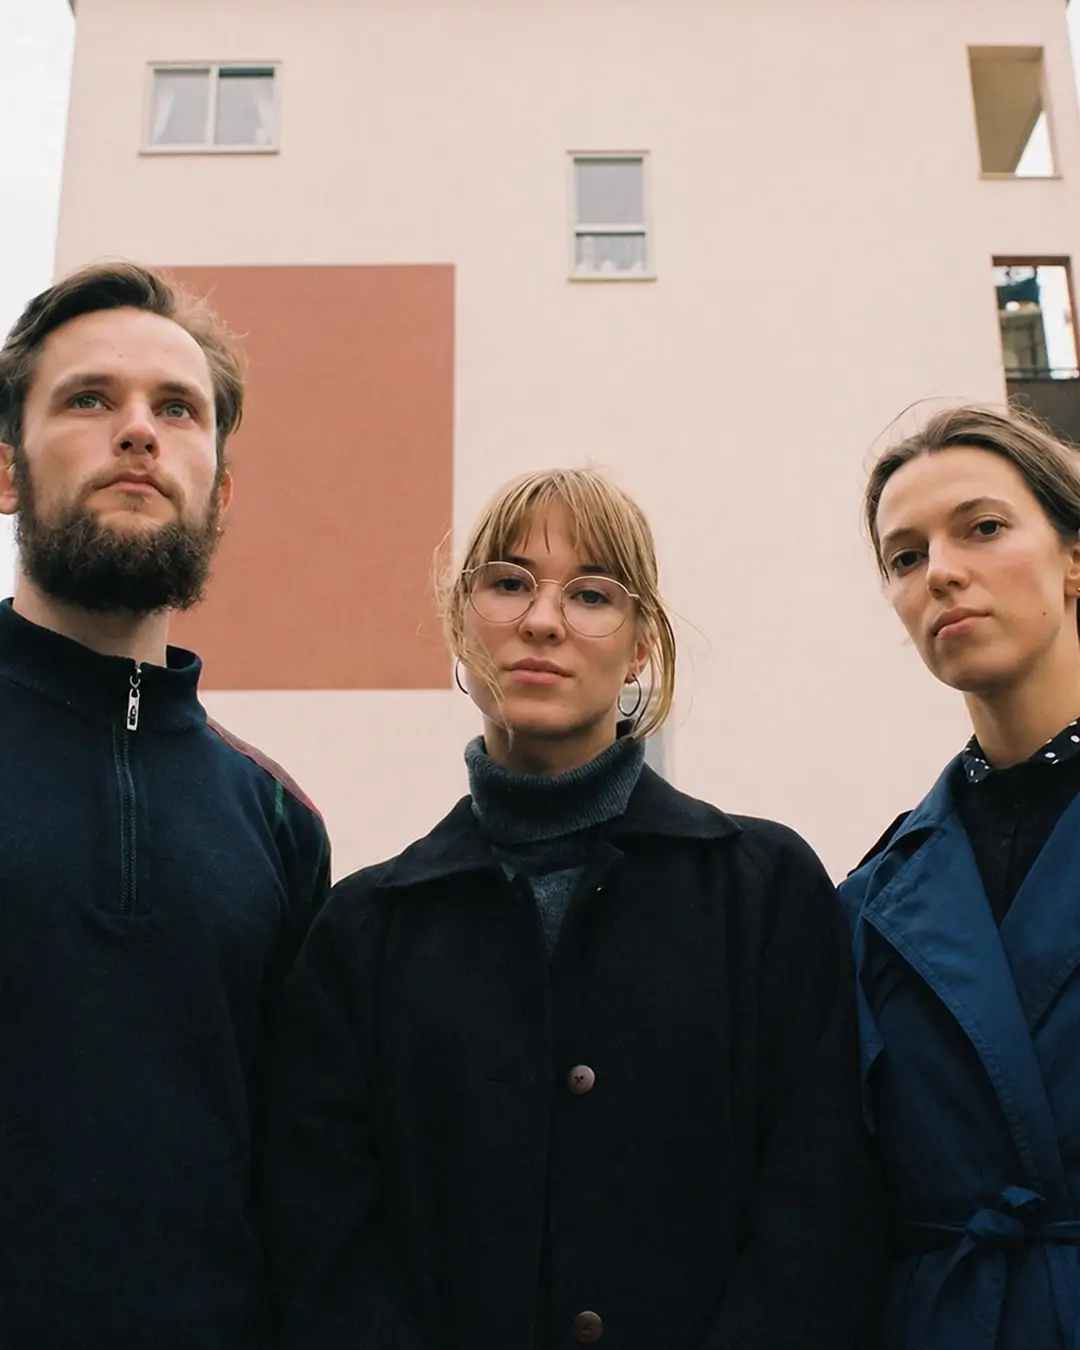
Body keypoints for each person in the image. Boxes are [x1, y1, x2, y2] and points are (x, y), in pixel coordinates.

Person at [267, 467, 884, 1349]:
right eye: (508, 582)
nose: (543, 621)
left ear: (640, 647)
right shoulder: (363, 932)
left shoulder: (764, 890)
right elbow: (327, 1242)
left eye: (593, 593)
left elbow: (819, 1209)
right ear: (460, 622)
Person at [0, 262, 330, 1349]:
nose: (138, 432)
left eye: (175, 409)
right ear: (7, 471)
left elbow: (301, 1178)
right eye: (90, 399)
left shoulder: (278, 823)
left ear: (219, 495)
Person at [843, 404, 1080, 1349]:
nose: (938, 571)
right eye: (903, 557)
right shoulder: (868, 902)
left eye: (982, 527)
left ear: (1072, 558)